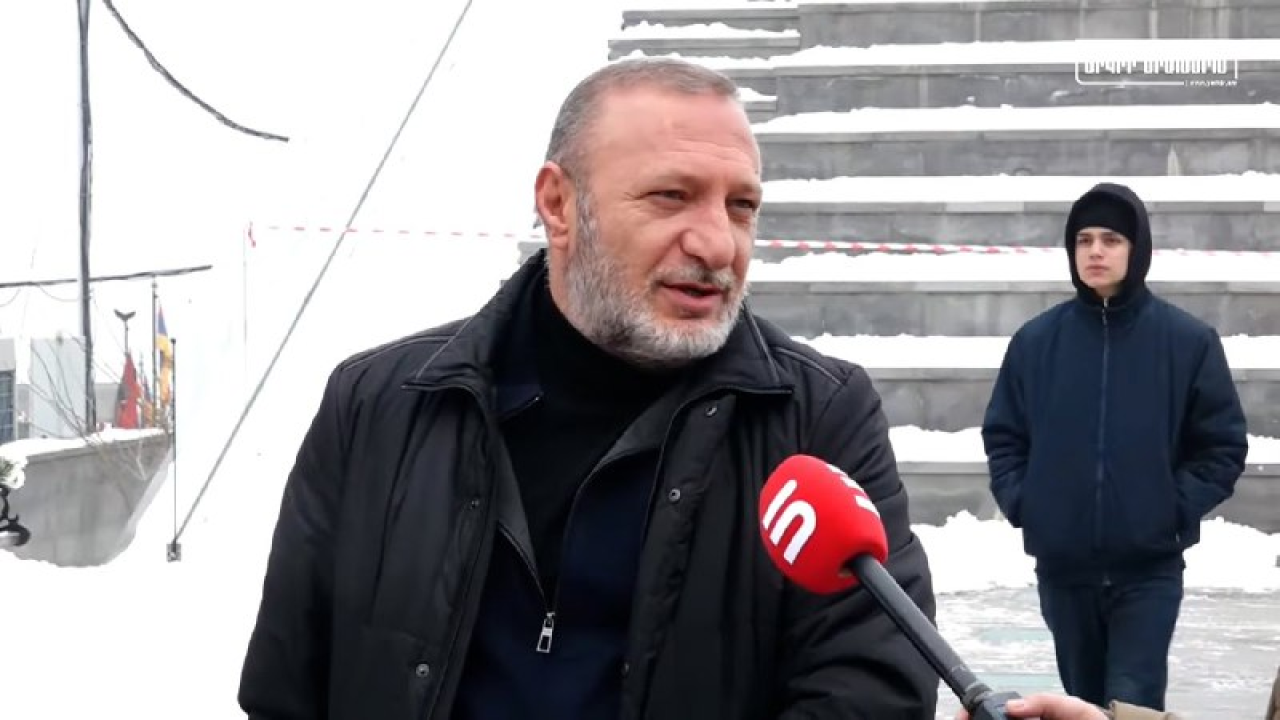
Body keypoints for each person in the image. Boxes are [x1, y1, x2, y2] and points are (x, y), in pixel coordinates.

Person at [237, 57, 940, 719]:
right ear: (558, 204)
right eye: (672, 196)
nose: (718, 244)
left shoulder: (819, 418)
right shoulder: (376, 404)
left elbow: (871, 692)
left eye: (741, 206)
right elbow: (285, 692)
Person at [981, 182, 1249, 712]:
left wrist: (1168, 508)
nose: (1096, 252)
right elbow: (1004, 436)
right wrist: (1030, 504)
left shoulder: (1187, 341)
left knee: (1134, 702)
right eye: (1084, 240)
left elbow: (1222, 446)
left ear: (1136, 248)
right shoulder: (1036, 342)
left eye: (1111, 239)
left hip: (1148, 570)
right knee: (1080, 704)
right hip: (1064, 572)